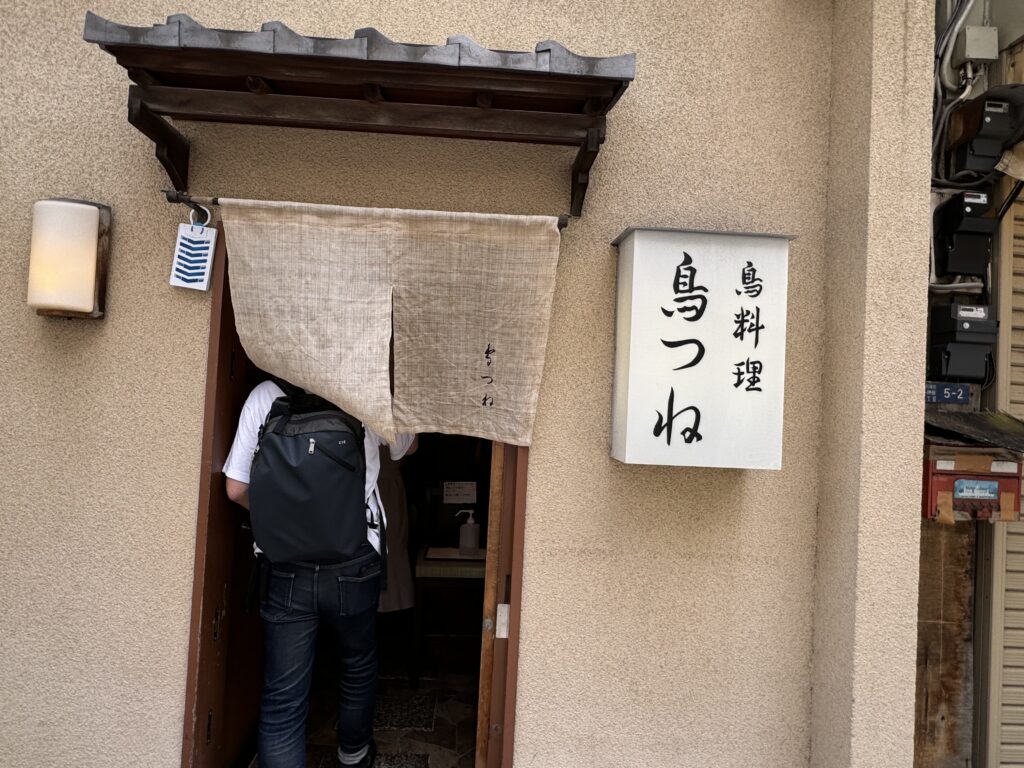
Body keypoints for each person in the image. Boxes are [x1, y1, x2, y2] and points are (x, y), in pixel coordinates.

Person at [222, 378, 416, 768]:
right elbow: (406, 446)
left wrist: (284, 522)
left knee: (283, 697)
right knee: (357, 663)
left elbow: (235, 488)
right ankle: (354, 755)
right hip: (353, 557)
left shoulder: (264, 394)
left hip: (285, 564)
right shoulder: (368, 389)